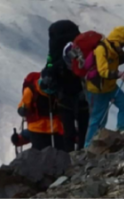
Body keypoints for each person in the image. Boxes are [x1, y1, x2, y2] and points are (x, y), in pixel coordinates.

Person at [84, 26, 124, 147]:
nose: (123, 46)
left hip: (109, 87)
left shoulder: (112, 48)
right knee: (98, 120)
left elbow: (116, 60)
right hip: (97, 90)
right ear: (117, 41)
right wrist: (120, 74)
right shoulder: (101, 50)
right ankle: (89, 147)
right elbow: (103, 71)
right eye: (123, 43)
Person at [43, 19, 88, 152]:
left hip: (63, 94)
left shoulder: (54, 51)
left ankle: (70, 155)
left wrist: (49, 75)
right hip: (81, 92)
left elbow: (50, 65)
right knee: (84, 125)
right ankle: (84, 150)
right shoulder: (77, 47)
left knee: (68, 129)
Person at [15, 72, 64, 150]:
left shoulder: (31, 90)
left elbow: (22, 106)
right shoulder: (32, 90)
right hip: (50, 129)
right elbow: (23, 106)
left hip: (40, 129)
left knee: (39, 155)